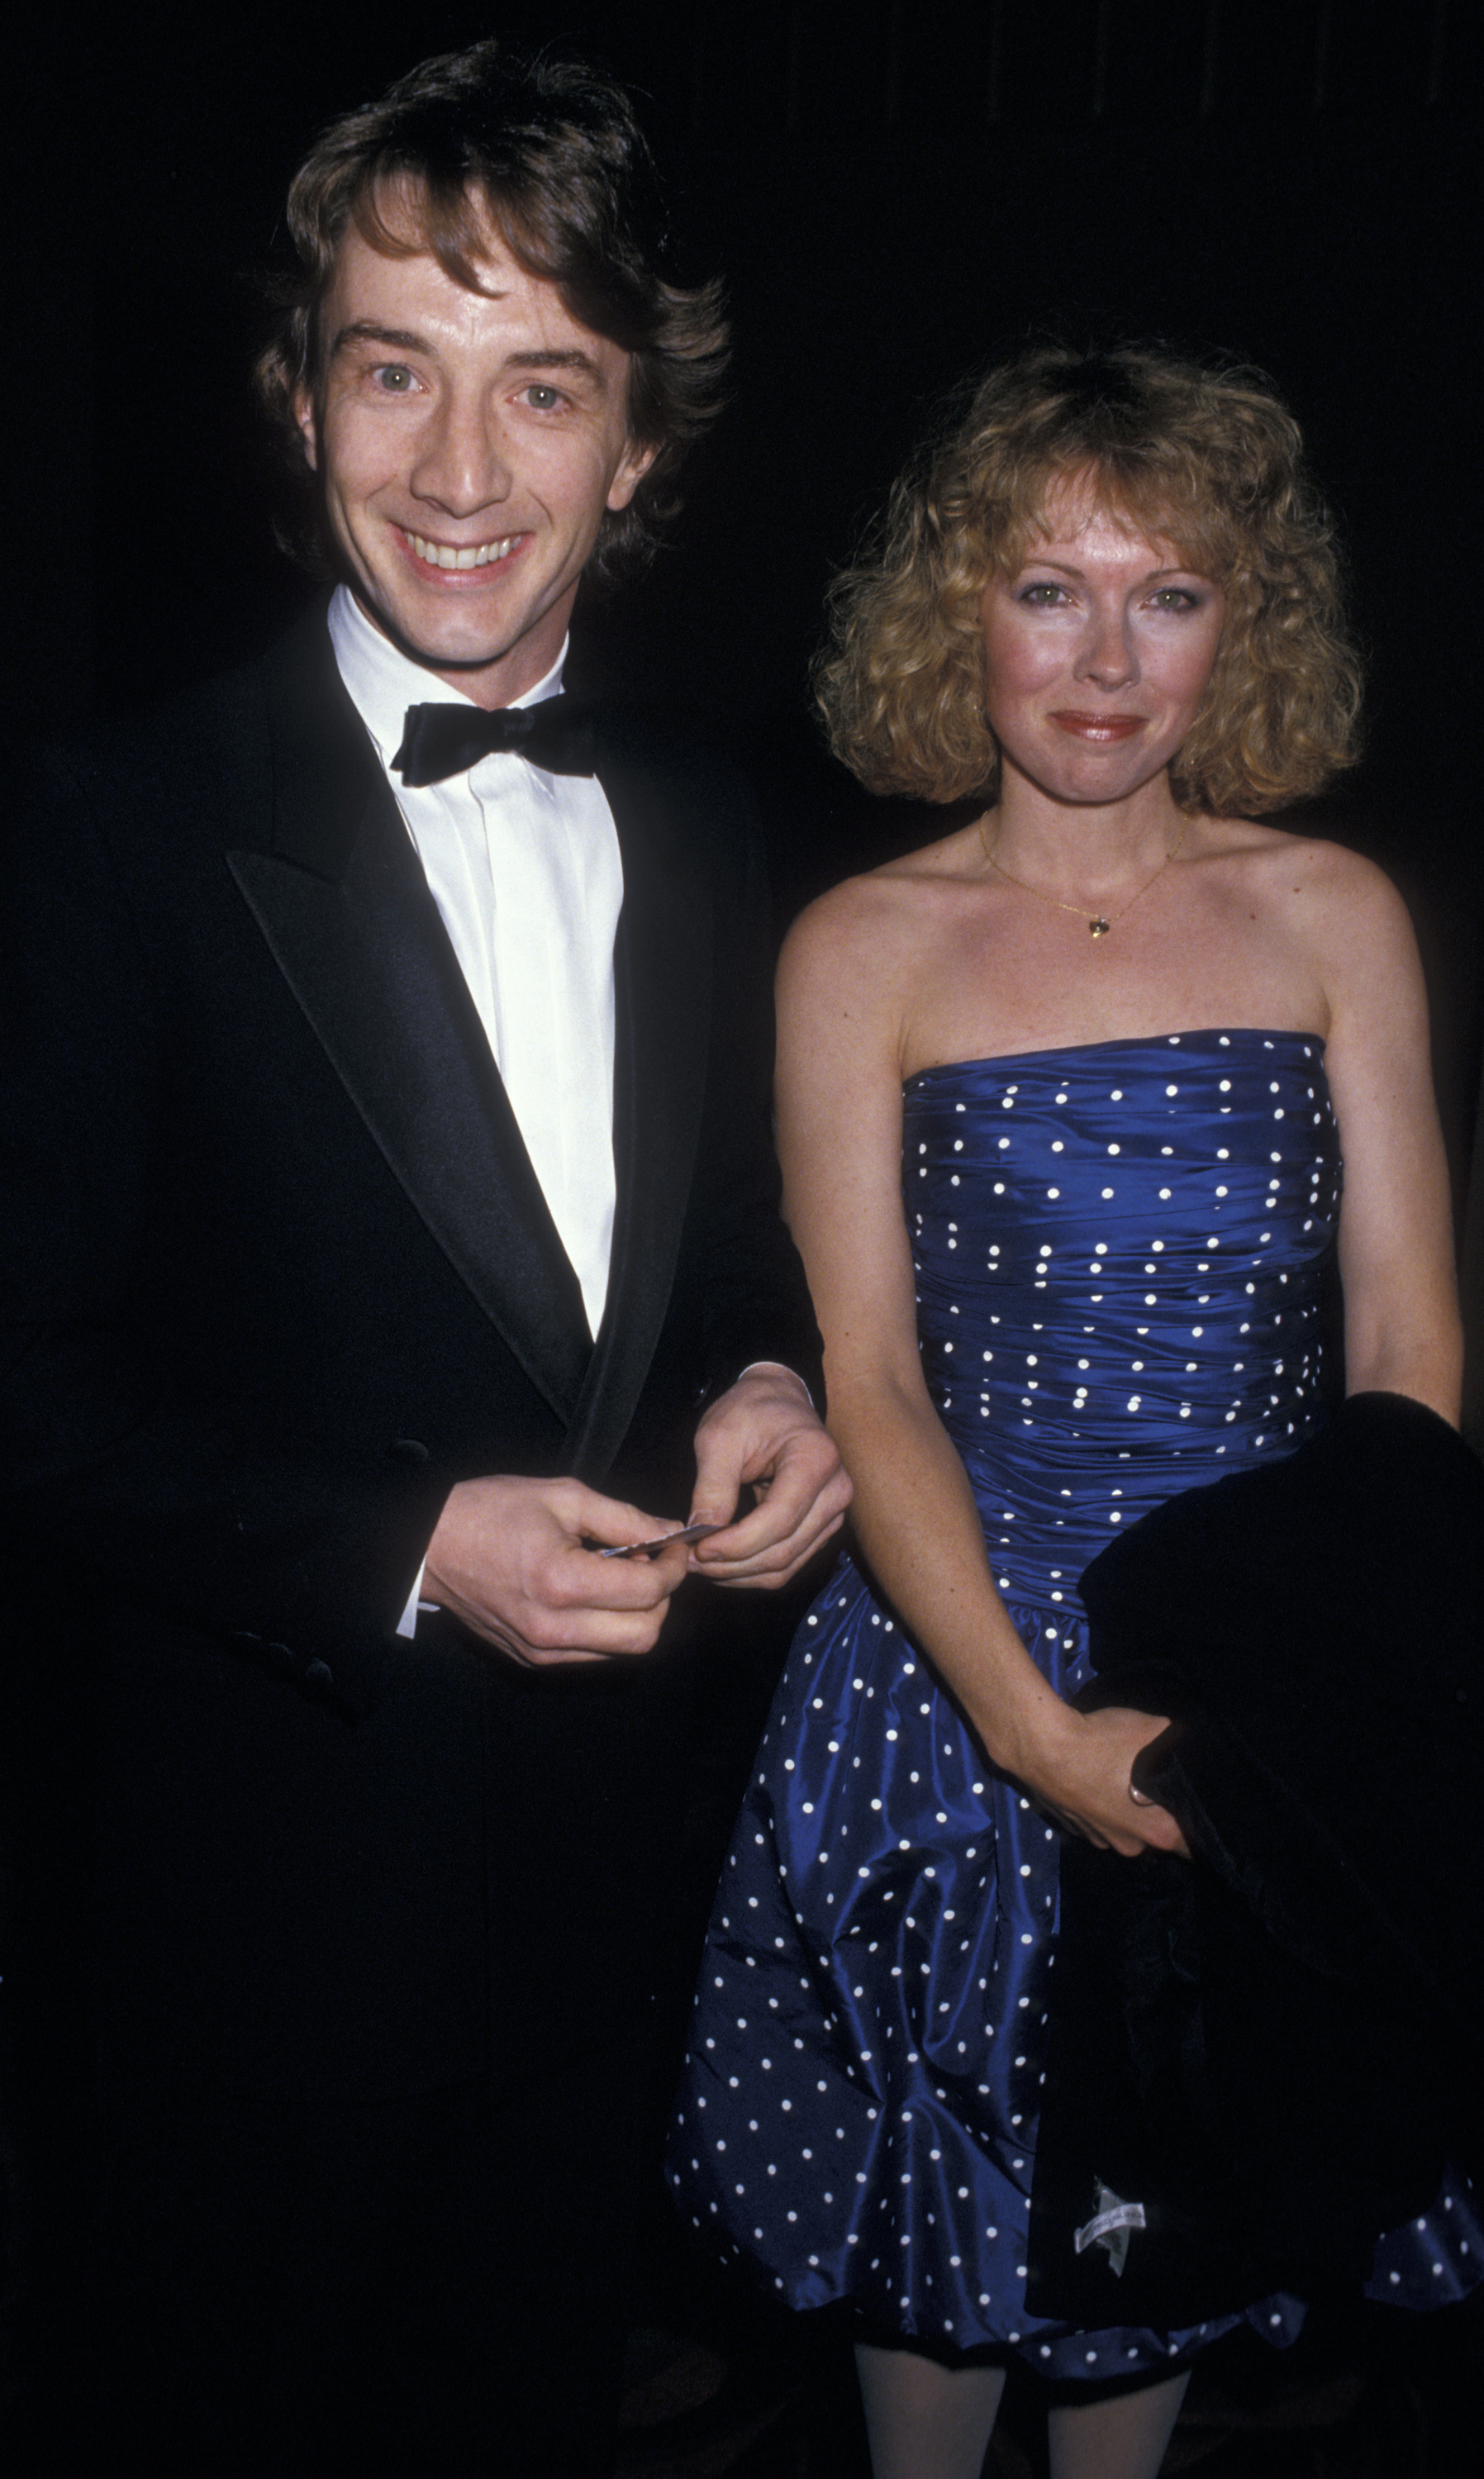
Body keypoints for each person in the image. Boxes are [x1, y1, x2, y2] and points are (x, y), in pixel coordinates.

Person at [0, 39, 849, 2477]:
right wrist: (403, 1544)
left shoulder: (696, 821)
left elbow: (704, 1262)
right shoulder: (103, 827)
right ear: (296, 400)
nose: (461, 474)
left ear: (639, 446)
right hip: (232, 1928)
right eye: (396, 369)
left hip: (591, 1918)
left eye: (541, 387)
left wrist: (766, 1385)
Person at [668, 346, 1480, 2479]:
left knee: (1173, 2244)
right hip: (951, 1665)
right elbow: (870, 1378)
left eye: (1171, 593)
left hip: (1259, 1652)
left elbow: (1406, 1336)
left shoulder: (1334, 915)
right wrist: (1030, 1727)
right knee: (941, 2242)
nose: (1106, 658)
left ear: (1249, 623)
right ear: (959, 613)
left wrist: (1314, 1693)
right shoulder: (865, 943)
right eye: (1049, 589)